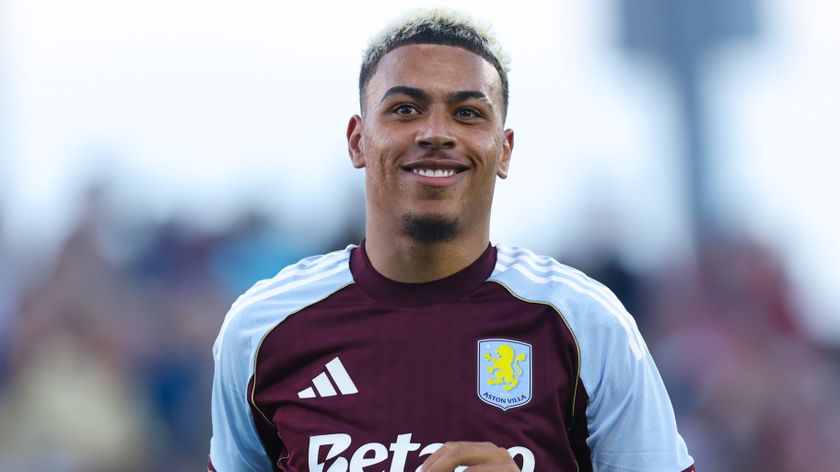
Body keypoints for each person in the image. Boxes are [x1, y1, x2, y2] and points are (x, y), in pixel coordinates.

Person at [209, 9, 695, 472]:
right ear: (358, 140)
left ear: (503, 151)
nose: (436, 132)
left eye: (467, 113)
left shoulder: (586, 323)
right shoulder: (262, 328)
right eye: (404, 109)